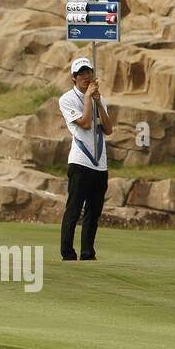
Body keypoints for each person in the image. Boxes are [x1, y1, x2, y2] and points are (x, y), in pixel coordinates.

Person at [58, 56, 114, 261]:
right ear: (74, 78)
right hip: (80, 162)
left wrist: (98, 100)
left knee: (93, 212)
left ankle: (87, 252)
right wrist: (89, 98)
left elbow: (108, 129)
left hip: (100, 164)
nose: (85, 76)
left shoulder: (100, 98)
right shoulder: (67, 99)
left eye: (88, 72)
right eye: (80, 73)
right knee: (74, 209)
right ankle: (67, 252)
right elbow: (84, 123)